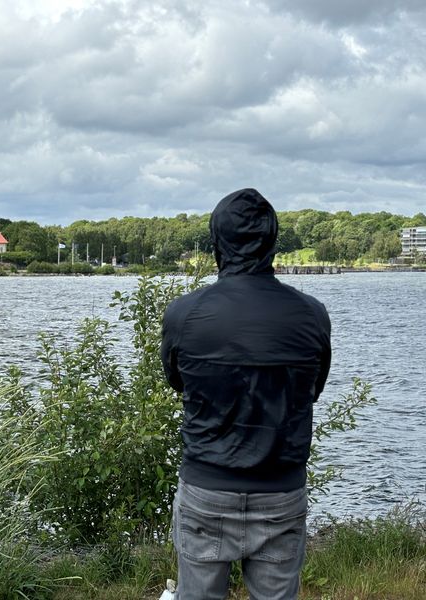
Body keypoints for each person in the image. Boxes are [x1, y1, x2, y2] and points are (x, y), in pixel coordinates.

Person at [160, 188, 331, 599]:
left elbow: (177, 382)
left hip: (206, 488)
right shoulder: (312, 315)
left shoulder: (184, 314)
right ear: (273, 244)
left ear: (216, 244)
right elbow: (313, 390)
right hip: (281, 491)